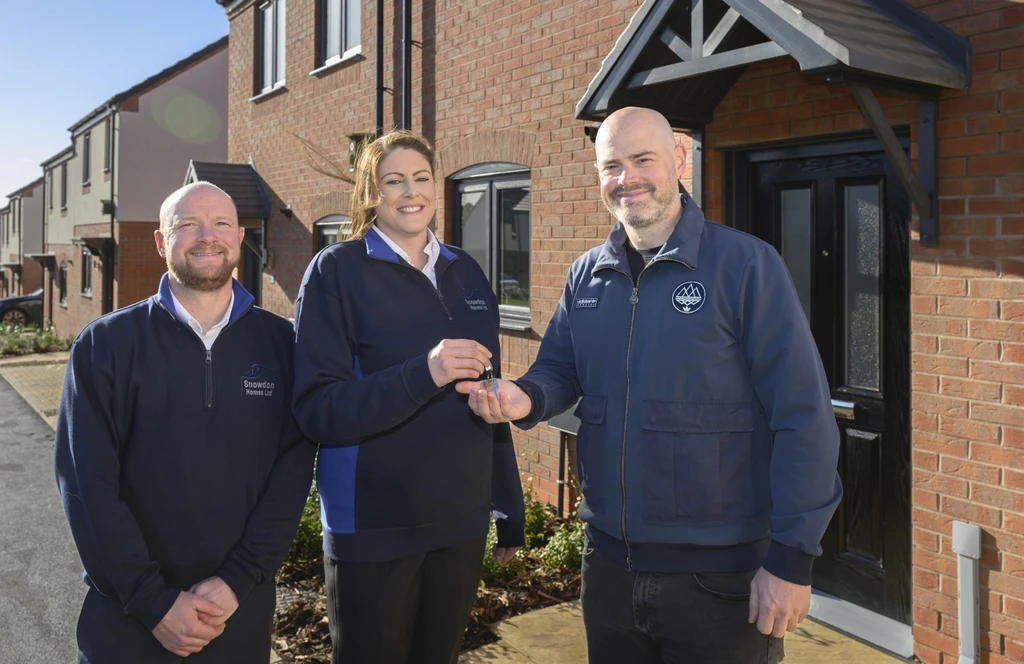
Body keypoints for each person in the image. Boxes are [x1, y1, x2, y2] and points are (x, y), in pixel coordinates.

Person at [457, 107, 843, 663]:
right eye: (611, 165)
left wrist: (791, 559)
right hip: (609, 569)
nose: (626, 178)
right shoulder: (587, 274)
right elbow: (560, 368)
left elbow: (803, 416)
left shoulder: (746, 267)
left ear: (679, 159)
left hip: (720, 578)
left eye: (643, 160)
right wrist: (526, 396)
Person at [54, 182, 316, 663]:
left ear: (239, 237)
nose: (206, 236)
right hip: (127, 616)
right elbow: (86, 488)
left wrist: (238, 579)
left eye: (219, 224)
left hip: (235, 611)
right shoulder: (105, 346)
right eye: (187, 224)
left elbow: (292, 474)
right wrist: (153, 602)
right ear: (160, 241)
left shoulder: (285, 346)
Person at [292, 129, 525, 664]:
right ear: (372, 193)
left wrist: (507, 506)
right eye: (393, 180)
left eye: (421, 178)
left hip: (460, 522)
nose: (410, 191)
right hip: (373, 526)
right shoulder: (336, 272)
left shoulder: (466, 271)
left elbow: (490, 397)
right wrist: (427, 371)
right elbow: (318, 411)